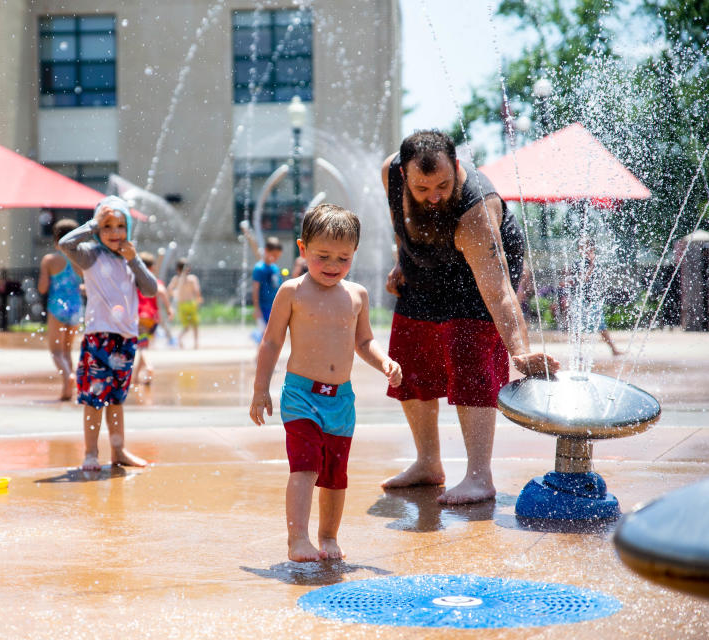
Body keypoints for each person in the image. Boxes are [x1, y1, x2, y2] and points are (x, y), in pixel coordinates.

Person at [380, 130, 559, 505]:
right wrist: (402, 261)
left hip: (479, 267)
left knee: (469, 353)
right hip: (426, 259)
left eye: (443, 184)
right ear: (405, 177)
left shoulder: (475, 210)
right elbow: (400, 221)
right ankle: (428, 463)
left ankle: (480, 476)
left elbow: (499, 293)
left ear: (457, 166)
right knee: (409, 357)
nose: (433, 196)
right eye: (422, 187)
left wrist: (519, 351)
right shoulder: (391, 173)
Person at [250, 204, 403, 562]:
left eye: (343, 258)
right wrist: (261, 390)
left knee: (335, 476)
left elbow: (364, 341)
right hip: (301, 395)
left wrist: (384, 361)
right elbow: (271, 341)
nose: (333, 265)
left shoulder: (357, 295)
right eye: (323, 256)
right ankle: (297, 539)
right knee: (305, 467)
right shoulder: (292, 291)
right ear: (302, 249)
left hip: (341, 400)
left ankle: (328, 536)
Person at [59, 196, 158, 471]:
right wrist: (92, 224)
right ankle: (91, 453)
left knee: (116, 399)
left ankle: (119, 450)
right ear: (98, 229)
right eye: (107, 226)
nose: (114, 233)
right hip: (99, 337)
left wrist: (134, 259)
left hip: (126, 339)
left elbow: (150, 290)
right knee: (94, 400)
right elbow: (65, 244)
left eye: (120, 226)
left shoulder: (130, 257)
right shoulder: (91, 254)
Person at [38, 218, 85, 401]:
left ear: (56, 239)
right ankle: (69, 391)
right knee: (67, 350)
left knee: (56, 351)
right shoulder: (80, 261)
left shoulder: (50, 260)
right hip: (76, 306)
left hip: (57, 306)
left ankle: (68, 377)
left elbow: (42, 288)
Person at [563, 236, 622, 356]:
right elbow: (582, 280)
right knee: (577, 328)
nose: (586, 250)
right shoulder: (578, 263)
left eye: (588, 247)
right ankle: (577, 352)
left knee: (601, 326)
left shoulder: (595, 263)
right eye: (583, 247)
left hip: (593, 300)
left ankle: (613, 350)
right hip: (580, 300)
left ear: (593, 248)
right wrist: (592, 265)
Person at [133, 251, 173, 385]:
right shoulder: (153, 281)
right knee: (143, 345)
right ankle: (137, 376)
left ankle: (149, 367)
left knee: (142, 347)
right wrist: (169, 309)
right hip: (152, 319)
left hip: (140, 317)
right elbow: (162, 291)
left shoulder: (135, 280)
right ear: (151, 267)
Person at [167, 258, 203, 349]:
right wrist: (199, 299)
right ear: (188, 269)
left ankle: (179, 339)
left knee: (186, 326)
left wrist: (175, 295)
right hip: (191, 304)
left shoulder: (176, 279)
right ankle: (196, 343)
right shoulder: (192, 278)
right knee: (195, 324)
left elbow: (169, 289)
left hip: (181, 304)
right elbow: (197, 291)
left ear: (177, 269)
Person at [251, 236, 283, 336]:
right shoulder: (259, 268)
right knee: (265, 334)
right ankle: (255, 337)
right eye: (273, 255)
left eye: (278, 256)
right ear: (266, 251)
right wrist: (257, 309)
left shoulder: (275, 268)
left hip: (274, 306)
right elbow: (255, 289)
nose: (275, 258)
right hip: (263, 306)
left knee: (273, 333)